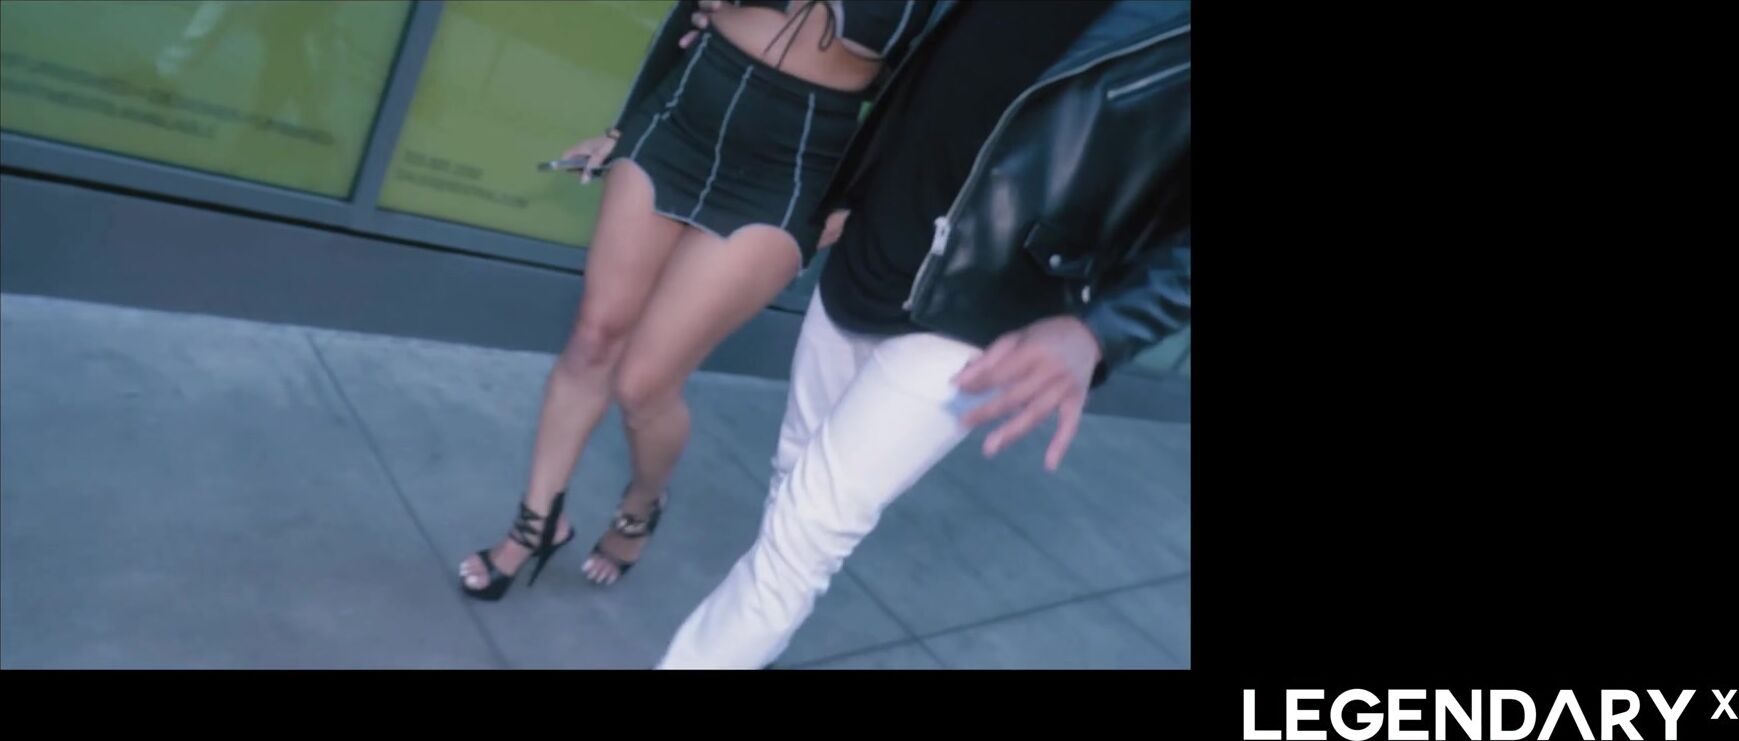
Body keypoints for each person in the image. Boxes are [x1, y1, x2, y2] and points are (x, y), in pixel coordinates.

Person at [656, 0, 1192, 668]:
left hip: (993, 304)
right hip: (878, 243)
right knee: (793, 472)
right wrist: (848, 187)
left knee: (808, 530)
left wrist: (1100, 331)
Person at [459, 0, 939, 599]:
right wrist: (623, 127)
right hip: (682, 117)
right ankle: (537, 523)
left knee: (645, 384)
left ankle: (643, 502)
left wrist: (858, 199)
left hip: (795, 167)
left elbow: (929, 89)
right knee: (594, 336)